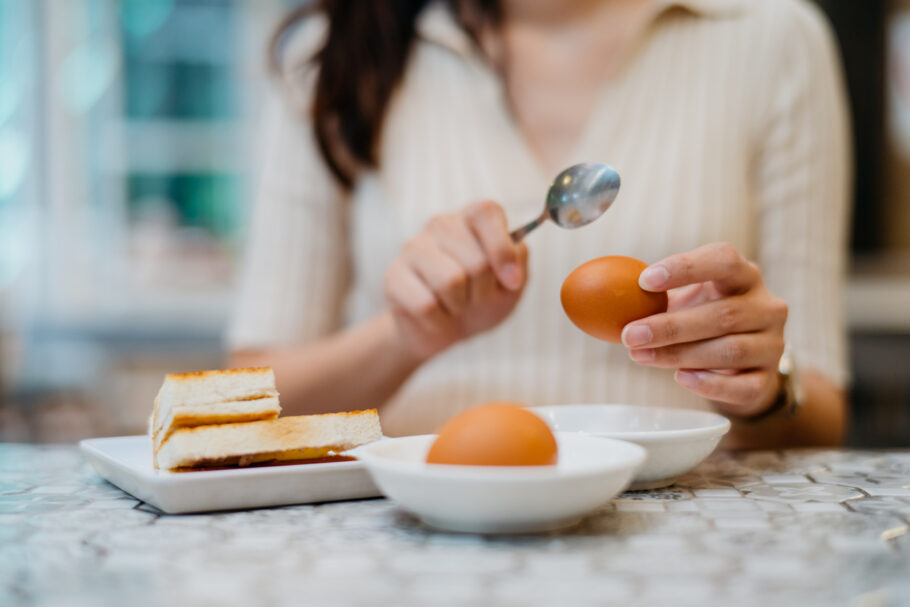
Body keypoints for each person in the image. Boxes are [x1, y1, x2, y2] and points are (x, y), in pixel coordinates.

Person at [228, 0, 850, 448]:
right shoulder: (336, 51)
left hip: (692, 537)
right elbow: (252, 405)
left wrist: (756, 382)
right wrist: (404, 337)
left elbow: (823, 415)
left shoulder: (772, 38)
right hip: (416, 533)